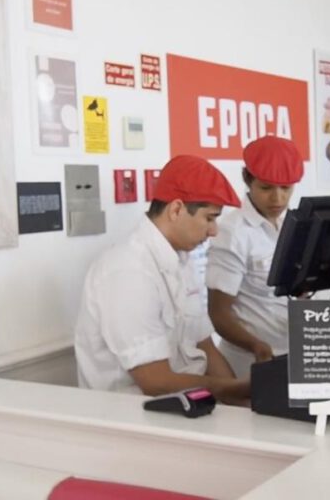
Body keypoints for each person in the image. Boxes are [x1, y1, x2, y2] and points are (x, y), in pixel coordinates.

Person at [75, 155, 249, 404]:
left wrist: (242, 405)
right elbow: (155, 381)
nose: (214, 231)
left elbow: (205, 346)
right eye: (209, 218)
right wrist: (235, 389)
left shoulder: (182, 257)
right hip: (134, 420)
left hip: (188, 406)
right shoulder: (127, 271)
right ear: (176, 209)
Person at [205, 136, 304, 378]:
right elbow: (218, 314)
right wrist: (256, 346)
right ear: (247, 180)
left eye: (286, 188)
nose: (278, 199)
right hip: (250, 362)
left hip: (294, 353)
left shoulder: (291, 222)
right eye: (266, 188)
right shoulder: (232, 232)